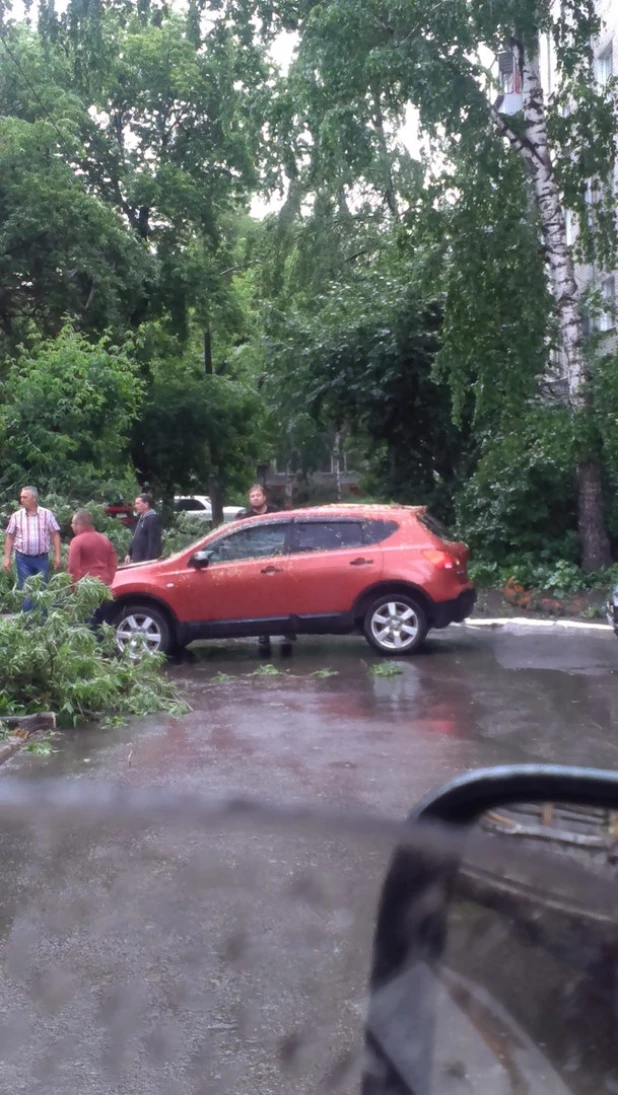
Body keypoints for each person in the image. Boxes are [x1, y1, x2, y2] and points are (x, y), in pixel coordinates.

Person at [238, 484, 292, 656]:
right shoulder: (245, 518)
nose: (255, 498)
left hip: (277, 561)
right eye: (252, 496)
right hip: (256, 564)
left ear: (264, 497)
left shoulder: (275, 513)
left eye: (257, 495)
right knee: (261, 600)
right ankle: (264, 635)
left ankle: (287, 631)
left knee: (282, 597)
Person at [3, 486, 61, 611]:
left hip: (41, 559)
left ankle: (42, 621)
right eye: (21, 497)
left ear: (34, 499)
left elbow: (55, 535)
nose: (21, 500)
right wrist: (6, 558)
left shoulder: (47, 514)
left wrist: (57, 555)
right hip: (22, 559)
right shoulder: (16, 516)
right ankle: (28, 619)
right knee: (26, 588)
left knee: (41, 588)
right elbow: (10, 537)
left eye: (25, 497)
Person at [68, 509, 118, 627]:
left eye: (72, 523)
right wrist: (108, 580)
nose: (71, 526)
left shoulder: (77, 541)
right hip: (103, 587)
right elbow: (113, 563)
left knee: (86, 625)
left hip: (86, 588)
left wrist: (73, 589)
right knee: (100, 624)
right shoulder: (104, 539)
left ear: (79, 524)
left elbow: (73, 568)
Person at [124, 493, 162, 565]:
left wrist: (149, 561)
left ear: (146, 504)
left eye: (138, 503)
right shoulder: (141, 518)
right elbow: (135, 537)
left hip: (145, 562)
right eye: (135, 504)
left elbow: (153, 543)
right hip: (138, 560)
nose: (135, 506)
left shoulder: (152, 519)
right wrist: (129, 553)